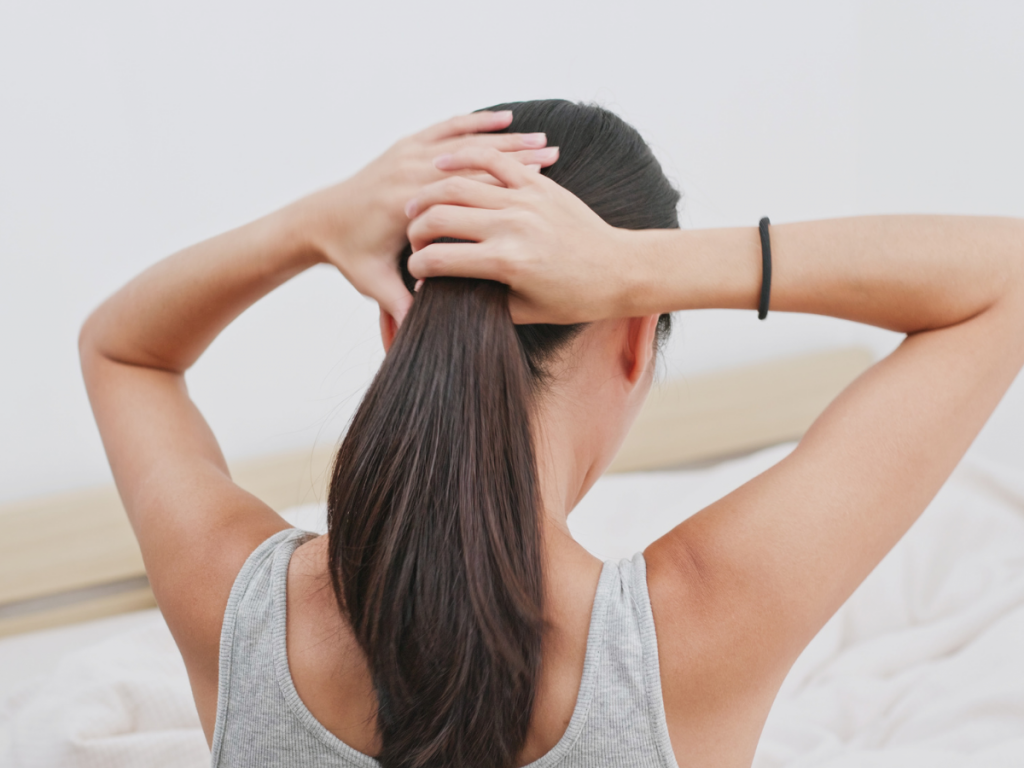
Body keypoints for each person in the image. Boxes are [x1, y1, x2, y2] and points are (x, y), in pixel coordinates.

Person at [79, 100, 1024, 768]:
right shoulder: (695, 628)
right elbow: (1006, 278)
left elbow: (122, 351)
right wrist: (641, 269)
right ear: (632, 343)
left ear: (392, 328)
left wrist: (310, 224)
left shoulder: (238, 609)